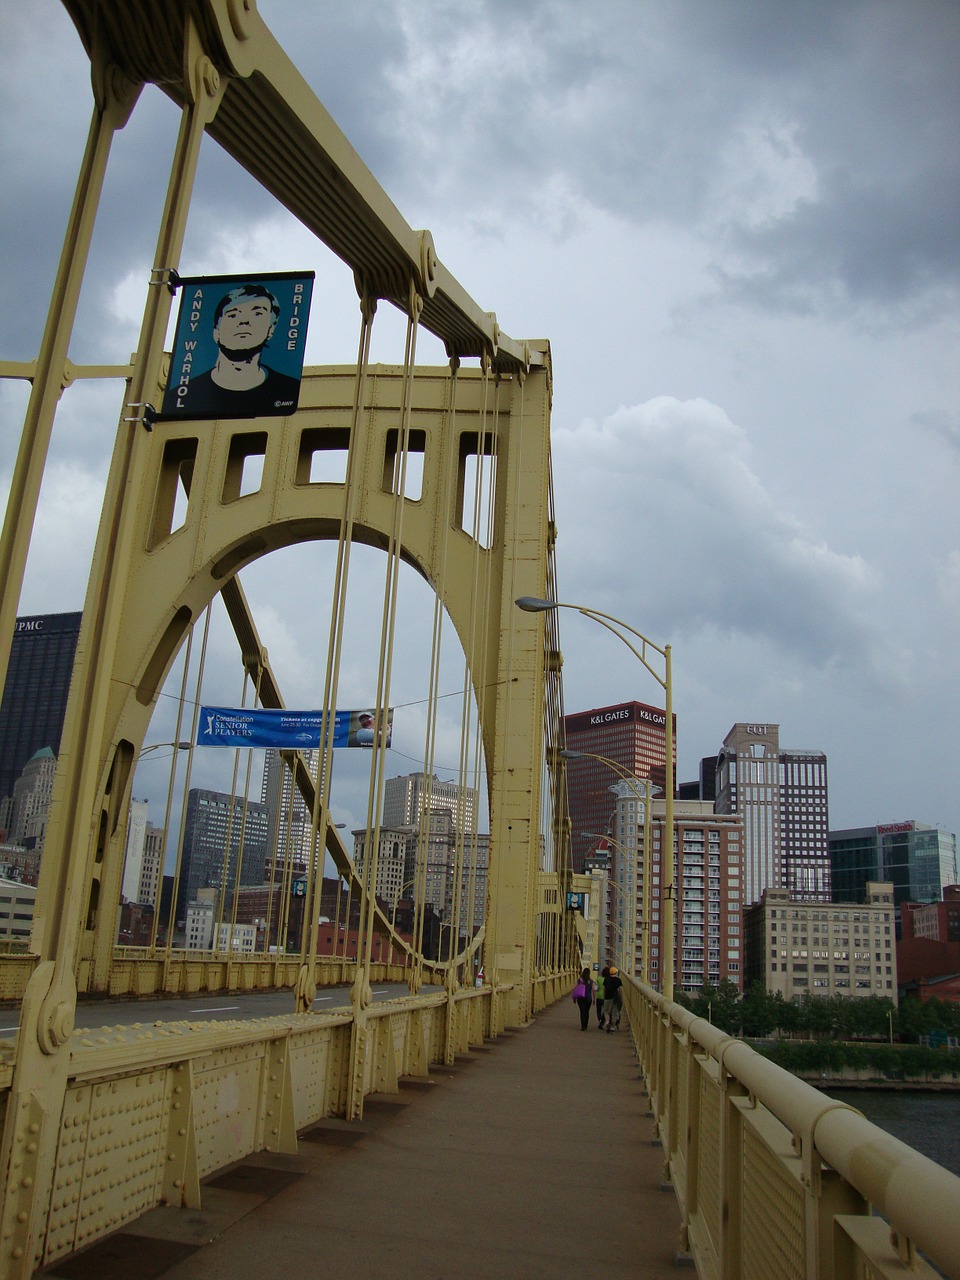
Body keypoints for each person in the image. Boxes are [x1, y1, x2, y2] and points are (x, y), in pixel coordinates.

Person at [181, 284, 301, 417]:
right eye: (233, 315)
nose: (244, 321)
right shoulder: (187, 394)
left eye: (257, 314)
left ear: (271, 329)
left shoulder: (288, 390)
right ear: (216, 332)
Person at [571, 966, 594, 1031]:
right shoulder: (591, 981)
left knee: (582, 1012)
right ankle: (585, 1025)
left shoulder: (580, 980)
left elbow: (576, 989)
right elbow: (593, 990)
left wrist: (574, 998)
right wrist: (594, 999)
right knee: (586, 1012)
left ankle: (583, 1026)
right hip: (588, 998)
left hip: (580, 998)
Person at [604, 964, 623, 1032]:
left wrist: (604, 996)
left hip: (607, 997)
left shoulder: (606, 979)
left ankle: (607, 1022)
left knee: (606, 1011)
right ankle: (612, 1026)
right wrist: (621, 998)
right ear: (615, 972)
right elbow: (620, 989)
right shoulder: (618, 980)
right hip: (615, 998)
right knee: (614, 1012)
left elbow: (604, 989)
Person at [596, 965, 608, 1030]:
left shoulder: (599, 978)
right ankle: (602, 1022)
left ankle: (600, 1020)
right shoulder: (607, 980)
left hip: (599, 996)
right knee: (605, 1011)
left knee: (598, 1010)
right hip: (605, 997)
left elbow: (596, 988)